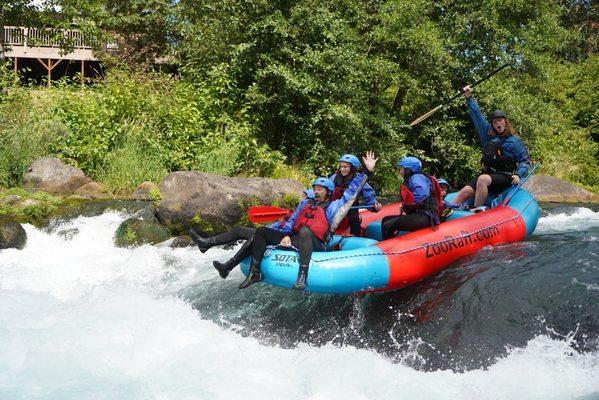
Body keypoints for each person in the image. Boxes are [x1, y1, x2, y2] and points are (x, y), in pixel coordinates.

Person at [191, 151, 379, 291]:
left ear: (328, 192)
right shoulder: (306, 203)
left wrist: (367, 173)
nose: (316, 191)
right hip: (296, 239)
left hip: (316, 243)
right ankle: (254, 272)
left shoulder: (335, 207)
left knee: (305, 230)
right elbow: (290, 225)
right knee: (261, 232)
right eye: (315, 188)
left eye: (320, 189)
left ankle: (302, 275)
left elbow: (352, 192)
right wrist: (286, 235)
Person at [189, 189, 314, 280]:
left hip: (284, 237)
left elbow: (292, 227)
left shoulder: (306, 207)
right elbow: (278, 226)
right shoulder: (296, 209)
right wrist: (277, 223)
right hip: (274, 233)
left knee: (254, 236)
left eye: (303, 195)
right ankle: (206, 243)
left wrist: (282, 224)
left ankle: (227, 267)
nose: (301, 197)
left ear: (308, 198)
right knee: (239, 230)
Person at [451, 85, 531, 208]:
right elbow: (477, 115)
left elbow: (524, 160)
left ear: (505, 122)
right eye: (495, 121)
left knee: (483, 179)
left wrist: (519, 174)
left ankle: (476, 211)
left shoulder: (514, 141)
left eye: (500, 120)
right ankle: (447, 212)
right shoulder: (488, 134)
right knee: (465, 192)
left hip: (506, 176)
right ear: (492, 124)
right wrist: (469, 98)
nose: (498, 123)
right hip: (488, 173)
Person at [381, 156, 443, 240]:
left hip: (425, 217)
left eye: (401, 169)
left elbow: (423, 193)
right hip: (420, 215)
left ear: (409, 170)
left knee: (387, 225)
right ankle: (389, 244)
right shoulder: (415, 178)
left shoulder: (417, 177)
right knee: (385, 220)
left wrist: (409, 206)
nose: (400, 172)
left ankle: (386, 250)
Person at [330, 154, 382, 236]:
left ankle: (355, 235)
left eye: (345, 167)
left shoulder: (360, 180)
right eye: (341, 167)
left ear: (353, 168)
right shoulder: (334, 178)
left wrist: (374, 205)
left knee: (353, 216)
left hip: (351, 208)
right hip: (335, 207)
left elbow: (369, 196)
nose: (342, 169)